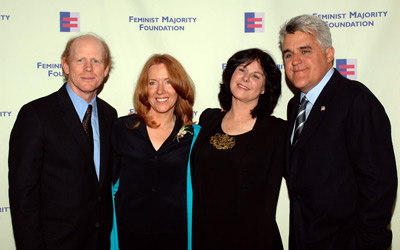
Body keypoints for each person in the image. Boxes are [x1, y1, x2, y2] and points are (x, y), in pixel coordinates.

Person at [279, 14, 397, 250]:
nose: (295, 61)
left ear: (329, 54)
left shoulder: (356, 100)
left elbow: (379, 183)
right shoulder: (295, 106)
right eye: (288, 54)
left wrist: (361, 243)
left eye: (305, 51)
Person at [8, 33, 117, 250]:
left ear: (105, 70)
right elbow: (23, 195)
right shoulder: (36, 115)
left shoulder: (109, 115)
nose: (88, 68)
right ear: (65, 65)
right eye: (80, 60)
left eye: (96, 61)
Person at [190, 48, 286, 250]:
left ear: (264, 88)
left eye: (256, 75)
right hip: (205, 236)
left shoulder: (277, 132)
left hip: (253, 240)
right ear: (230, 74)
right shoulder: (208, 119)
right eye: (242, 69)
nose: (245, 78)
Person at [111, 54, 200, 250]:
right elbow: (107, 187)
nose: (160, 90)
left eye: (168, 82)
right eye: (153, 82)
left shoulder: (193, 136)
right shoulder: (122, 128)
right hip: (129, 237)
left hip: (176, 238)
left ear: (180, 87)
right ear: (145, 89)